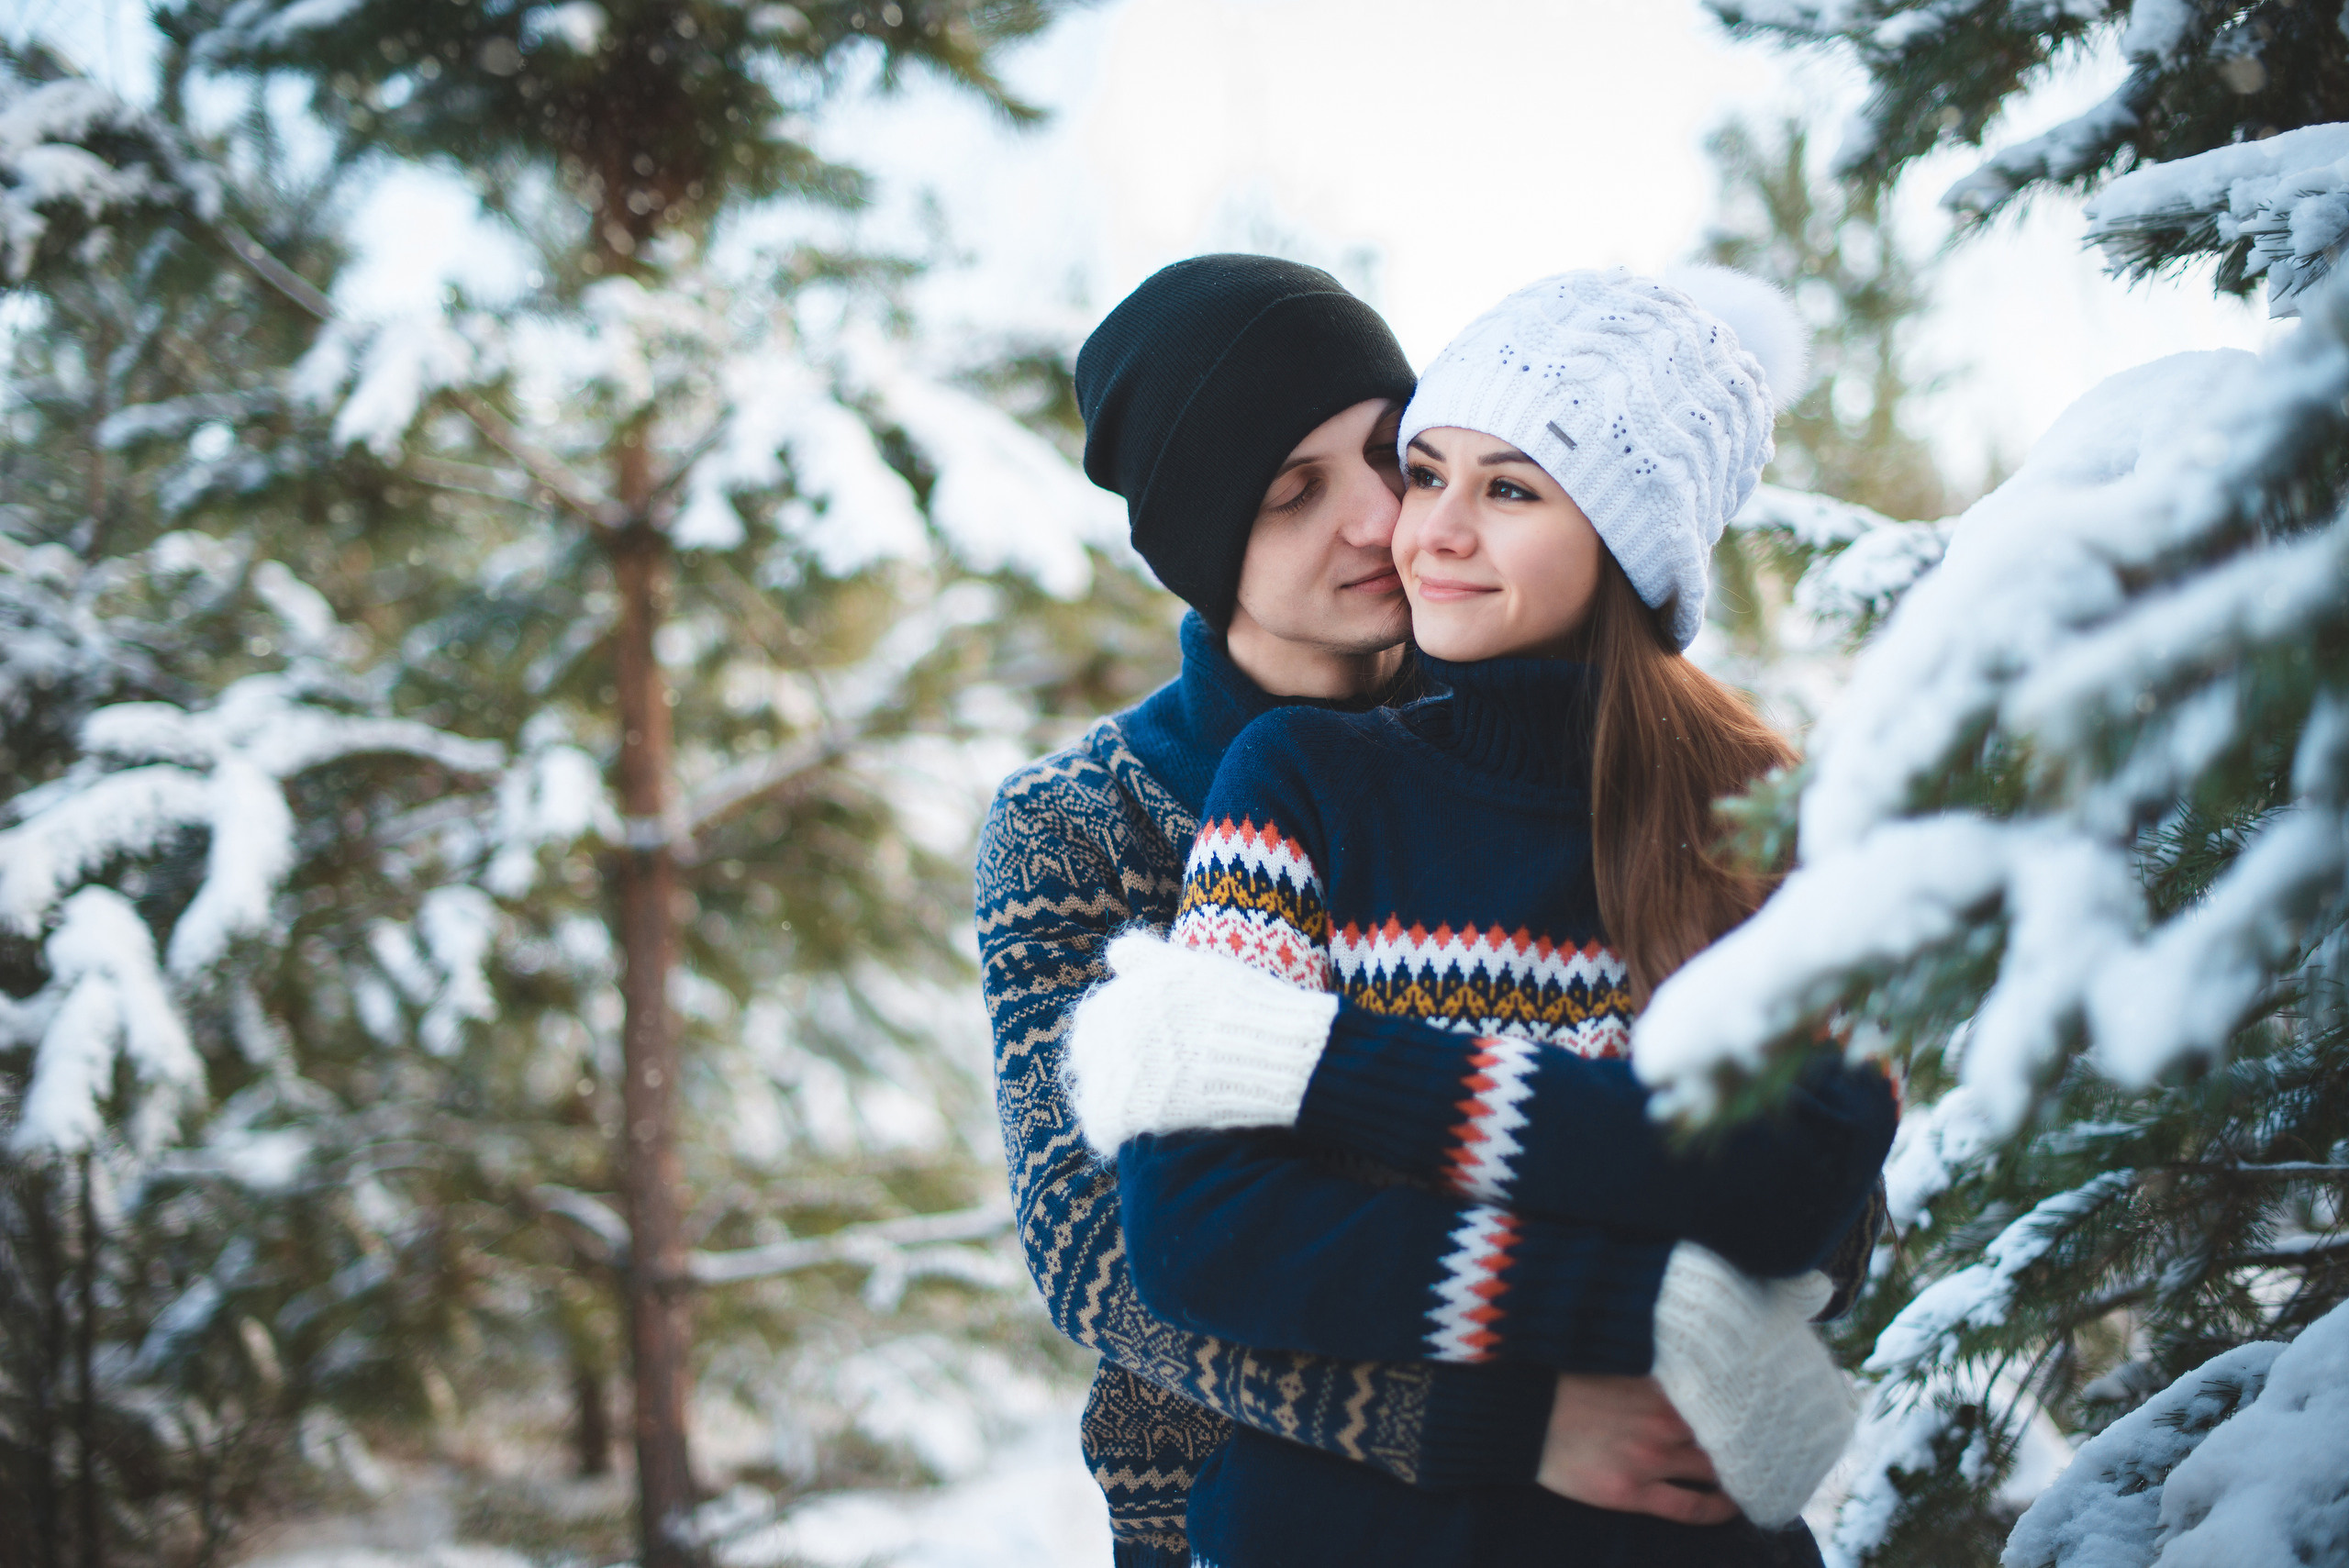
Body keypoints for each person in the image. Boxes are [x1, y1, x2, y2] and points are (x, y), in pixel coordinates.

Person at [974, 256, 1862, 1567]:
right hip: (1251, 1501)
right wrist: (1506, 1415)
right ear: (1204, 543)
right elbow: (1106, 1248)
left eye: (1395, 452)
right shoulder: (1081, 823)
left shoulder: (1562, 739)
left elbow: (1802, 1186)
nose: (1382, 516)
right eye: (1293, 492)